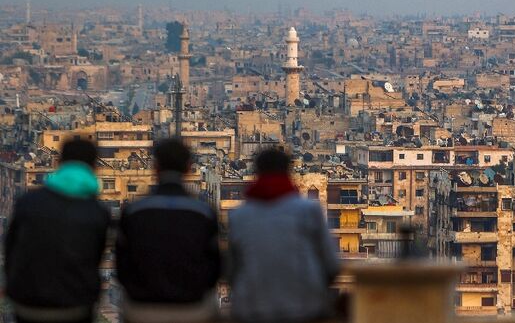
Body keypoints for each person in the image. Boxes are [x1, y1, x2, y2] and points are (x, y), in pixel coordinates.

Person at [4, 139, 110, 323]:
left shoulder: (29, 202)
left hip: (29, 305)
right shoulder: (97, 211)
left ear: (59, 163)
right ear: (93, 167)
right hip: (75, 307)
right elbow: (96, 259)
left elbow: (11, 250)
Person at [116, 139, 220, 323]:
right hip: (192, 309)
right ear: (188, 168)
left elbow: (122, 265)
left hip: (143, 309)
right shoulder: (203, 213)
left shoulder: (134, 211)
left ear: (155, 167)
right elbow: (215, 266)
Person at [229, 149, 339, 323]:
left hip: (252, 309)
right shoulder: (309, 211)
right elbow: (331, 265)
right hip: (304, 308)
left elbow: (232, 270)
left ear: (256, 172)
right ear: (288, 171)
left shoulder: (239, 216)